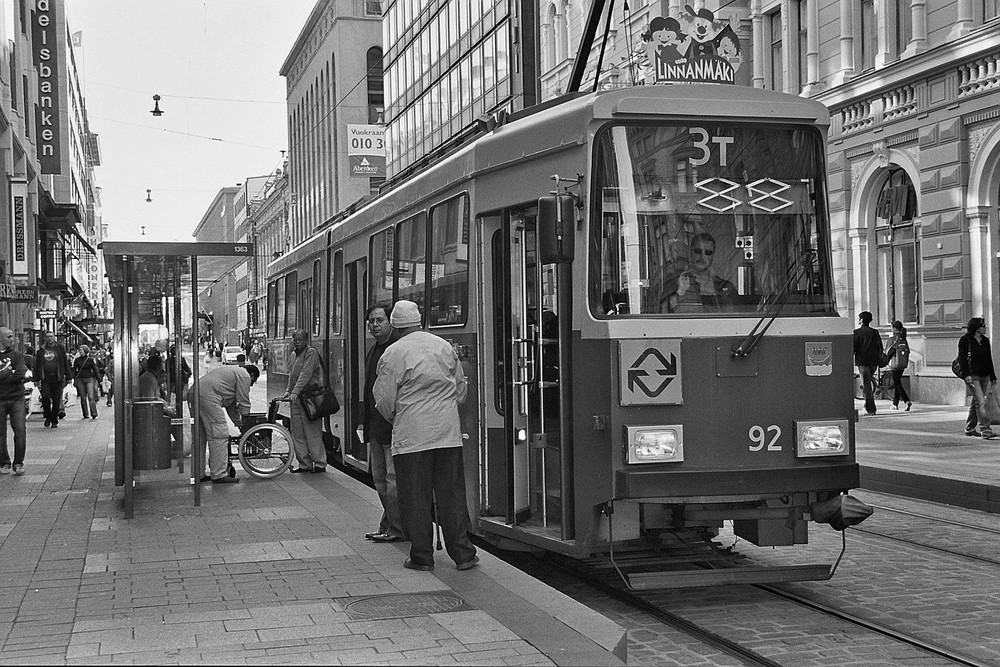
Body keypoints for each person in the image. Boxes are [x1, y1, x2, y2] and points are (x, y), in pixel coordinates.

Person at [374, 300, 478, 572]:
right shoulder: (443, 346)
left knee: (415, 497)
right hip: (447, 433)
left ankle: (421, 556)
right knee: (452, 494)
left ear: (395, 327)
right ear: (419, 322)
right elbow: (460, 388)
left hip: (412, 437)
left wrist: (398, 417)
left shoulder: (393, 353)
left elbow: (384, 398)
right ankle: (464, 554)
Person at [361, 303, 404, 543]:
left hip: (391, 426)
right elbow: (370, 389)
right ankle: (389, 524)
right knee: (379, 479)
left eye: (380, 320)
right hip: (375, 426)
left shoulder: (395, 350)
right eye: (371, 321)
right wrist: (364, 424)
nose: (375, 325)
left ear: (391, 322)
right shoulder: (373, 350)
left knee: (392, 479)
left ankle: (397, 528)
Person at [191, 363, 260, 483]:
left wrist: (240, 425)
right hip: (208, 396)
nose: (251, 385)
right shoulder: (244, 376)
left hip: (194, 392)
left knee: (200, 436)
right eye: (253, 382)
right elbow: (243, 401)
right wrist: (247, 424)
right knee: (219, 434)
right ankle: (219, 474)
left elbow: (231, 406)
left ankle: (198, 473)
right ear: (252, 375)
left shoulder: (232, 374)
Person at [282, 329, 327, 474]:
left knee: (312, 431)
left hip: (309, 398)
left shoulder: (311, 353)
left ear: (306, 340)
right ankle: (304, 464)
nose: (297, 342)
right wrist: (289, 391)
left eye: (300, 339)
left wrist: (294, 392)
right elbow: (292, 376)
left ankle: (319, 463)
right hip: (296, 399)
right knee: (298, 432)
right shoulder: (293, 355)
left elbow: (305, 374)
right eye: (295, 339)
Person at [668, 232, 736, 312]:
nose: (702, 257)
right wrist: (681, 293)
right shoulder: (675, 284)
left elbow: (736, 318)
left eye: (708, 253)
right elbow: (669, 317)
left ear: (713, 255)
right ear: (690, 252)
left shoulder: (726, 287)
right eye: (697, 251)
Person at [959, 317, 996, 439]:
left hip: (984, 375)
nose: (985, 328)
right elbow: (962, 359)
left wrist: (992, 376)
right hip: (972, 375)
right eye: (983, 326)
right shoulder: (965, 340)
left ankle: (970, 428)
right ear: (976, 328)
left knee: (977, 401)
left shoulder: (985, 340)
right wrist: (966, 375)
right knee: (981, 402)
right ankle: (985, 430)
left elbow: (989, 359)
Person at [0, 327, 28, 475]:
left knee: (20, 430)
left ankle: (18, 463)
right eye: (9, 337)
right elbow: (13, 375)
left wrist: (5, 376)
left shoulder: (17, 355)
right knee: (0, 433)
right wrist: (8, 372)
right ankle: (4, 462)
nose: (13, 339)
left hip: (17, 398)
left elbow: (20, 374)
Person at [34, 332, 70, 428]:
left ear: (54, 338)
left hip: (57, 377)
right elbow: (37, 365)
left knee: (56, 399)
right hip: (45, 377)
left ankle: (54, 420)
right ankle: (48, 416)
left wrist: (69, 376)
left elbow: (64, 362)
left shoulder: (59, 348)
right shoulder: (41, 350)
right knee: (45, 397)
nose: (49, 338)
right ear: (45, 338)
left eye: (51, 336)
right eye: (48, 337)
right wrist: (36, 379)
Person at [853, 311, 883, 416]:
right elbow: (880, 346)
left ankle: (871, 409)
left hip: (863, 361)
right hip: (873, 362)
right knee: (867, 383)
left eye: (859, 318)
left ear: (861, 320)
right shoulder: (875, 332)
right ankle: (867, 405)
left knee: (866, 385)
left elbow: (853, 348)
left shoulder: (857, 333)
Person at [72, 345, 104, 419]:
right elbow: (74, 370)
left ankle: (93, 413)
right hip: (80, 379)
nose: (80, 351)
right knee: (83, 397)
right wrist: (72, 378)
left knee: (91, 396)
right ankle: (85, 413)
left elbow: (95, 370)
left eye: (81, 350)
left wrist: (99, 380)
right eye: (79, 350)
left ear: (85, 351)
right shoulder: (77, 360)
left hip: (89, 378)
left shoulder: (89, 360)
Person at [885, 320, 911, 411]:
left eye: (892, 327)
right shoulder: (903, 339)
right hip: (903, 364)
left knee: (897, 383)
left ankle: (906, 400)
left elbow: (889, 352)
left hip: (894, 364)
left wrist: (884, 362)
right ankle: (895, 404)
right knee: (897, 383)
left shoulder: (892, 339)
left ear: (895, 328)